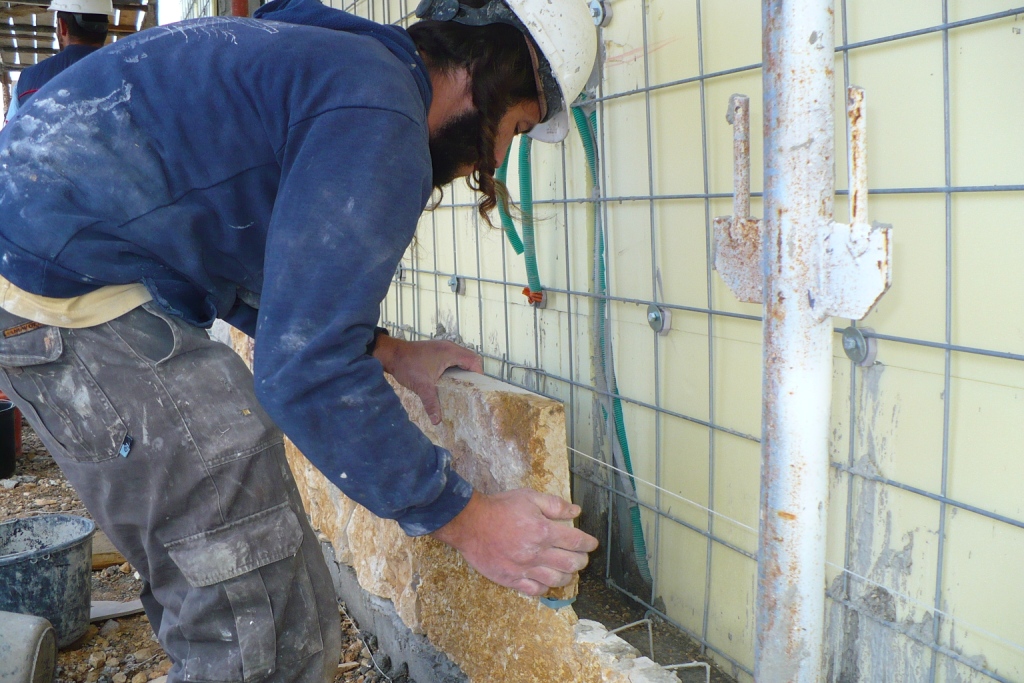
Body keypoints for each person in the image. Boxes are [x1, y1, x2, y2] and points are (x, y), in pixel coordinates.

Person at [0, 0, 599, 680]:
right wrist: (466, 519)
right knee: (255, 624)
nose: (489, 162)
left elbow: (261, 273)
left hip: (57, 252)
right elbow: (302, 367)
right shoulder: (380, 116)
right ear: (489, 74)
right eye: (514, 127)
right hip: (62, 280)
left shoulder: (339, 58)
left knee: (264, 594)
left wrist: (386, 351)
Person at [4, 0, 111, 122]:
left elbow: (9, 138)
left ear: (62, 26)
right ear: (105, 28)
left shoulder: (26, 81)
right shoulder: (129, 75)